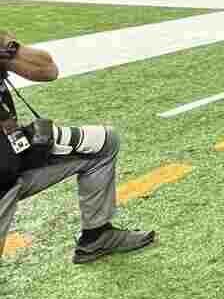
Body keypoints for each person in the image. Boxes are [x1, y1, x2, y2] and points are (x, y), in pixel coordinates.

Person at [1, 35, 155, 263]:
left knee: (103, 143)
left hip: (13, 152)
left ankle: (97, 236)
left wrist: (9, 48)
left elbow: (48, 70)